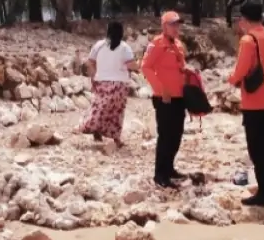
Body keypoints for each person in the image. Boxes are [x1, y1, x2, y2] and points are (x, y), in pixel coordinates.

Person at [228, 0, 264, 207]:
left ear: (243, 20)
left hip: (253, 103)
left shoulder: (248, 41)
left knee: (257, 148)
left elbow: (241, 71)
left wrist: (231, 80)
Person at [142, 11, 188, 189]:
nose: (176, 28)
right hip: (164, 99)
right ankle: (160, 174)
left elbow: (179, 67)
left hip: (179, 97)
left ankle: (169, 168)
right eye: (173, 24)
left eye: (178, 24)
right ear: (164, 26)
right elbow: (145, 67)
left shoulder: (178, 45)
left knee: (176, 135)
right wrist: (161, 90)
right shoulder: (157, 44)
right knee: (166, 136)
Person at [78, 22, 137, 146]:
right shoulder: (125, 47)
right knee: (116, 112)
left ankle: (93, 128)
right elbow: (132, 65)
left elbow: (89, 63)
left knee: (99, 107)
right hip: (120, 84)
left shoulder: (99, 45)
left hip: (101, 81)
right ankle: (115, 138)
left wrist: (93, 75)